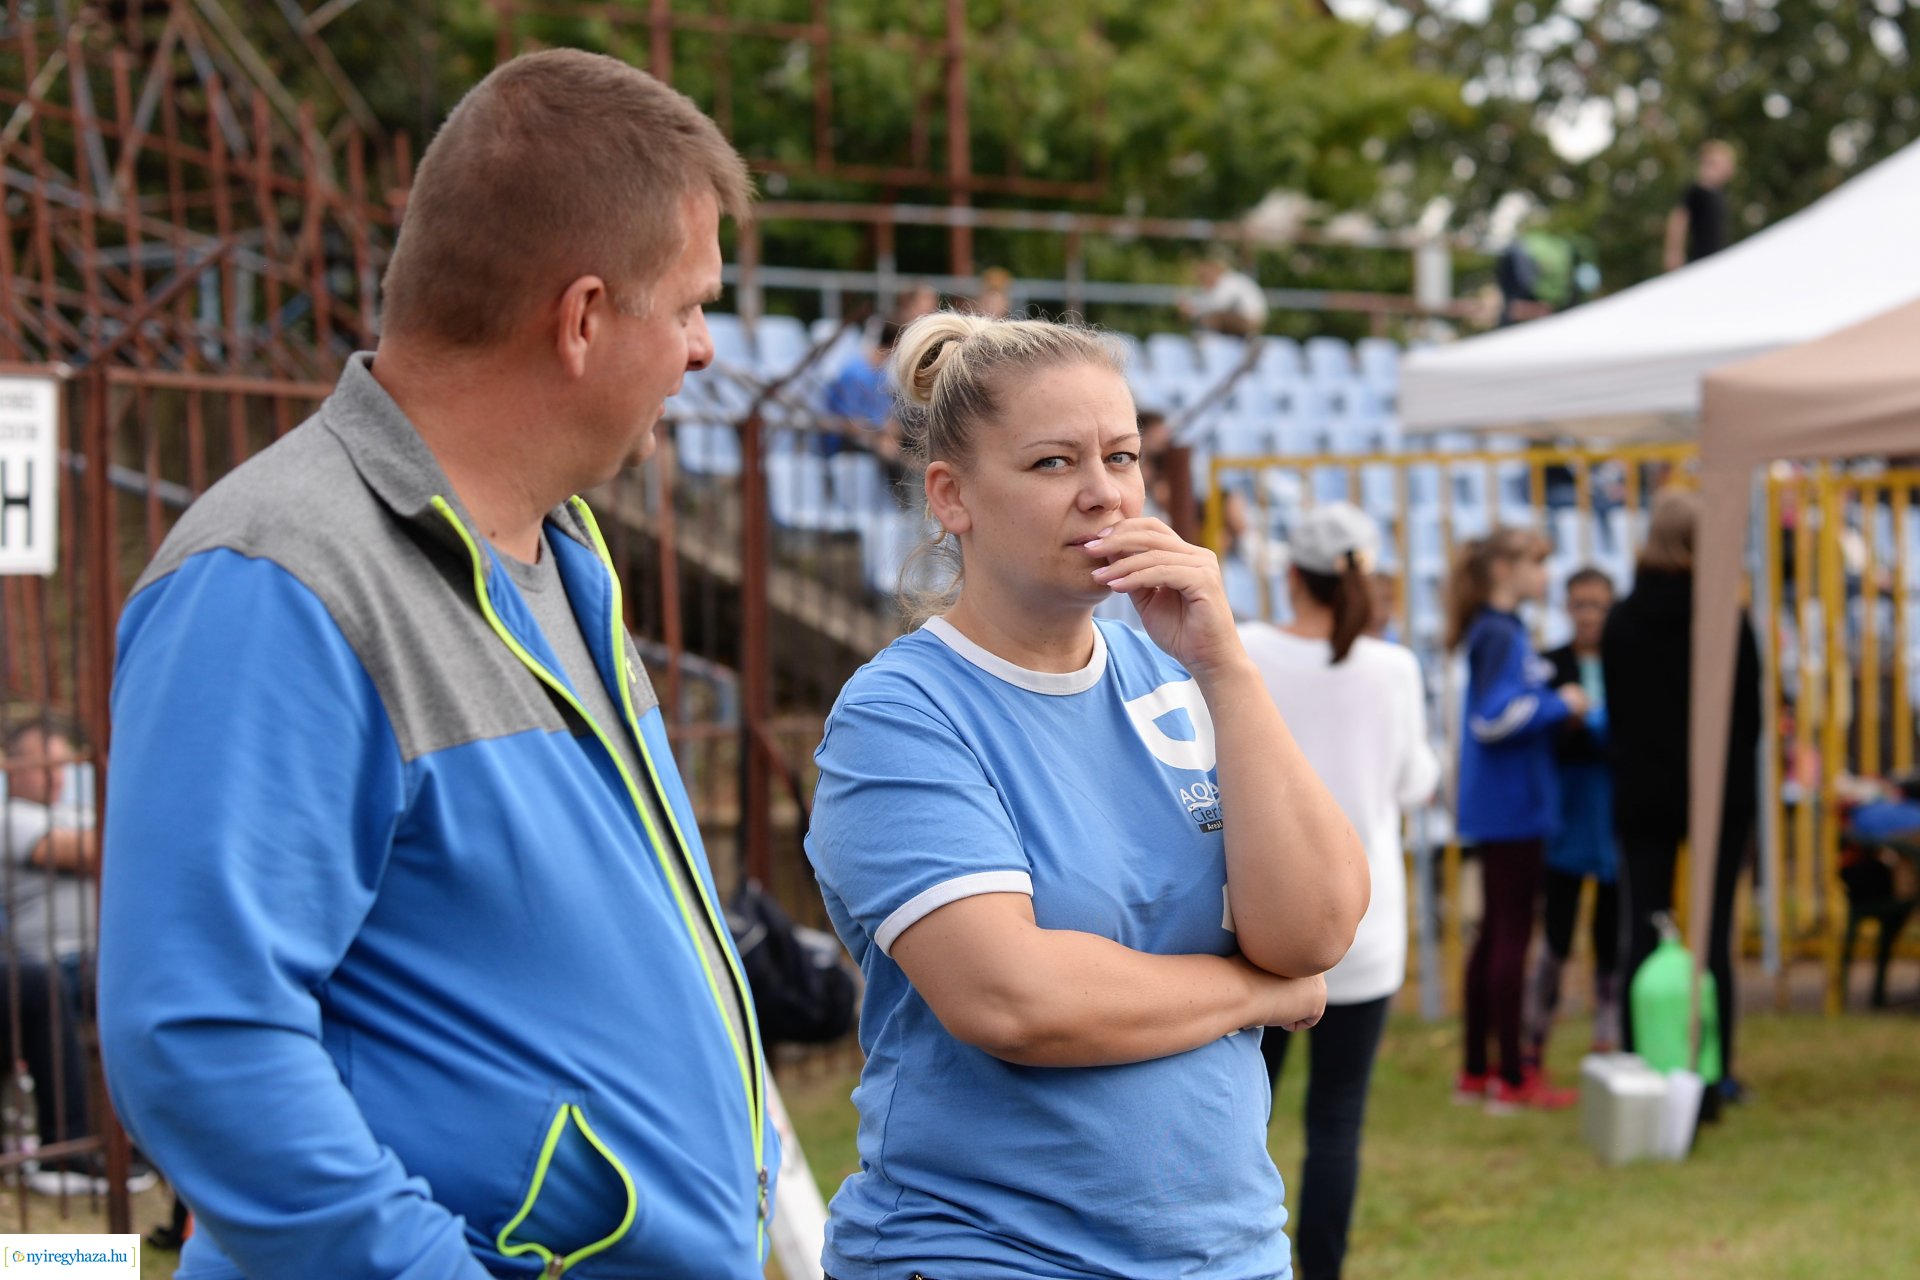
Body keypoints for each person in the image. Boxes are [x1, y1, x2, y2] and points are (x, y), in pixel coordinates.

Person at [99, 50, 779, 1279]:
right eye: (687, 306)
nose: (702, 351)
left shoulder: (558, 552)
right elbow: (198, 1038)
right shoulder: (276, 577)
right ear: (580, 320)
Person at [806, 312, 1369, 1280]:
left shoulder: (1172, 677)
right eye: (1054, 463)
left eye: (1121, 455)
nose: (1103, 493)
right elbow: (1014, 998)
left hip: (1227, 1251)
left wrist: (1226, 665)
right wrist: (1257, 994)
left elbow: (1314, 930)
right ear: (953, 496)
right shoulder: (902, 712)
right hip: (990, 1253)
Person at [1242, 504, 1439, 1280]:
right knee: (1337, 1122)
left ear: (1291, 574)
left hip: (1261, 923)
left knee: (1240, 1117)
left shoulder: (1250, 651)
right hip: (1366, 922)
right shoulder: (1393, 668)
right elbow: (1415, 782)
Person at [1603, 488, 1760, 1110]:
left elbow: (1619, 713)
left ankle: (1648, 1062)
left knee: (1645, 925)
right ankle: (1713, 1072)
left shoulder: (1621, 619)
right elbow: (1748, 715)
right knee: (1713, 931)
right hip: (1717, 793)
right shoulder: (1723, 614)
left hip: (1643, 792)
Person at [1447, 527, 1589, 1112]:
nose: (1545, 576)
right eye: (1537, 564)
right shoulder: (1499, 632)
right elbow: (1493, 718)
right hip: (1513, 808)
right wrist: (1564, 704)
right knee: (1510, 937)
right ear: (1504, 569)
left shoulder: (1494, 631)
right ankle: (1510, 1075)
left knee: (1492, 938)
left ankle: (1478, 1071)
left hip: (1505, 805)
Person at [0, 720, 155, 1196]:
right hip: (58, 961)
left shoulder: (83, 811)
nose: (58, 777)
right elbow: (93, 851)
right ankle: (71, 1148)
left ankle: (151, 1140)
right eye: (47, 765)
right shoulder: (10, 816)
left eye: (66, 766)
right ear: (11, 765)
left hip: (104, 958)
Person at [1525, 567, 1622, 1066]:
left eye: (1597, 605)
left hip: (1612, 811)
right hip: (1566, 811)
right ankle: (1536, 1032)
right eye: (1580, 604)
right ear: (1567, 608)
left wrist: (1595, 721)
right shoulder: (1550, 663)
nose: (1588, 615)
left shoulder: (1625, 659)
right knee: (1557, 929)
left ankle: (1608, 1029)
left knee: (1612, 926)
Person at [1664, 140, 1736, 271]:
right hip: (1701, 259)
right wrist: (1674, 252)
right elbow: (1679, 218)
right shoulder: (1696, 191)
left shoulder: (1720, 195)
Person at [1179, 253, 1267, 336]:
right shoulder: (1230, 280)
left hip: (1249, 321)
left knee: (1209, 320)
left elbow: (1217, 304)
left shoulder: (1228, 281)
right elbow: (1211, 300)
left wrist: (1193, 310)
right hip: (1248, 319)